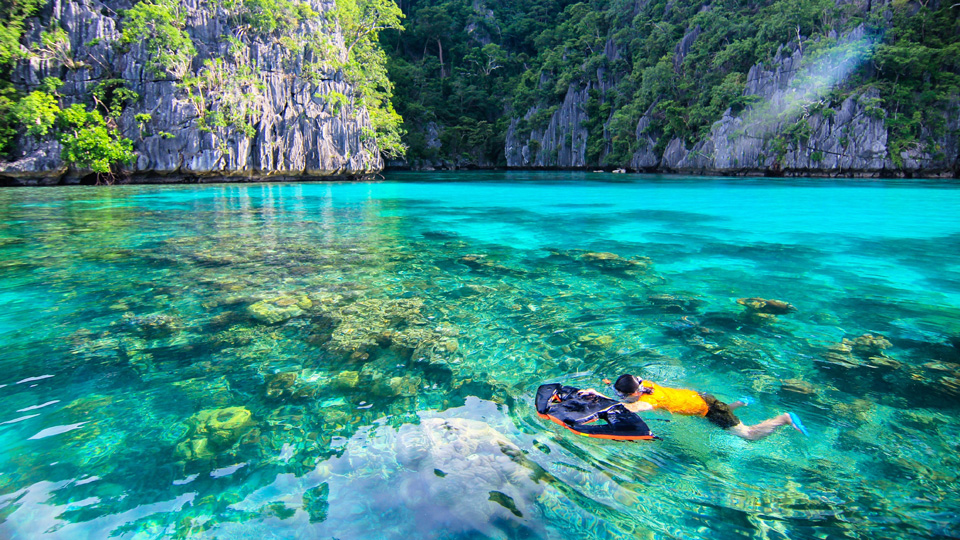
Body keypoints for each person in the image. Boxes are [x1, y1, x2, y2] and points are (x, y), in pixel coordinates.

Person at [580, 374, 808, 441]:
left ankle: (784, 418)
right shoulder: (645, 385)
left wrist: (597, 396)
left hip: (708, 408)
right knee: (716, 411)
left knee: (748, 435)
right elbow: (627, 398)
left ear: (631, 393)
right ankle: (740, 403)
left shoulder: (647, 402)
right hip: (701, 397)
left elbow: (624, 409)